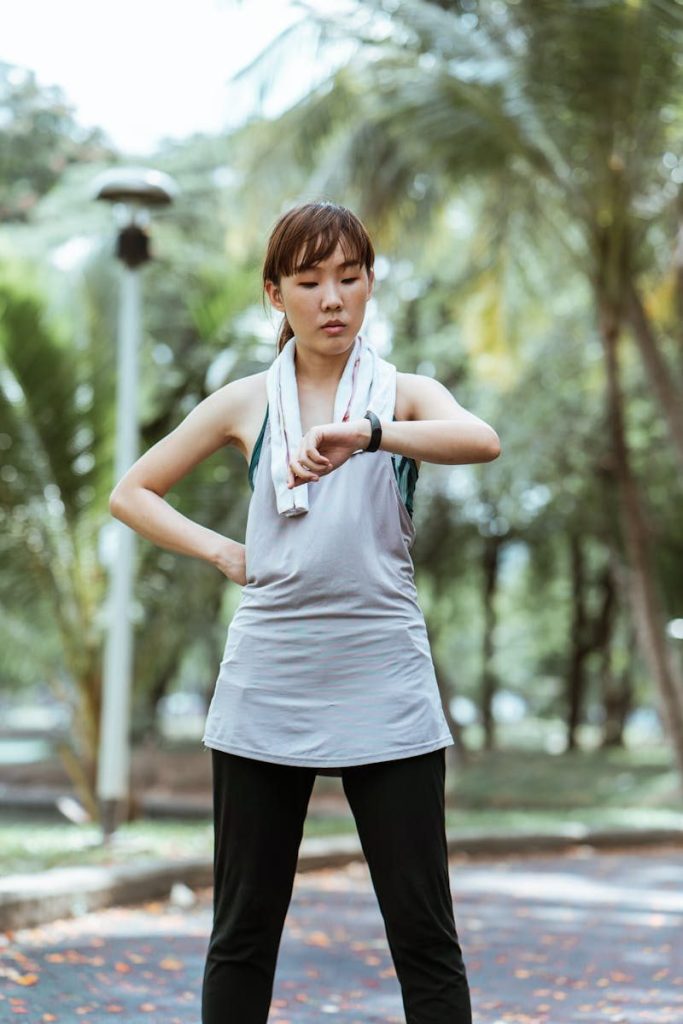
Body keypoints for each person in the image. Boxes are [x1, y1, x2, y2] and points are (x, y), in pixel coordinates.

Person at [109, 200, 501, 1024]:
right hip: (268, 682)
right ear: (275, 293)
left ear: (368, 287)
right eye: (309, 280)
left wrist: (368, 434)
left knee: (424, 937)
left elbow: (481, 440)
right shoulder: (246, 402)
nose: (332, 298)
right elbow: (131, 493)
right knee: (243, 933)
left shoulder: (401, 396)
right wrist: (223, 552)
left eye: (349, 279)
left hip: (383, 680)